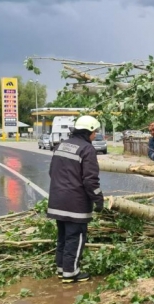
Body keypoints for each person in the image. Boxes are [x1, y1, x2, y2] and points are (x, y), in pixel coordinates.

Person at [47, 115, 104, 283]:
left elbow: (52, 172)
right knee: (76, 237)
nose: (95, 135)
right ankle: (71, 273)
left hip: (57, 200)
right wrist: (98, 199)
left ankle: (61, 268)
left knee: (63, 236)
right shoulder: (87, 149)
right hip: (75, 204)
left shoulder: (61, 145)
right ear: (89, 131)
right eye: (95, 132)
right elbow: (90, 180)